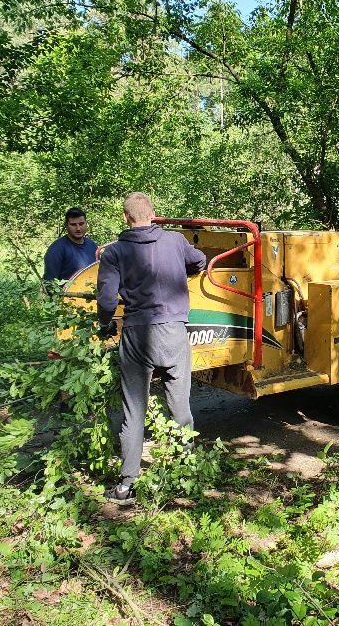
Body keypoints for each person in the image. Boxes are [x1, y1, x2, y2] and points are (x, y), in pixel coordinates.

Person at [96, 192, 207, 504]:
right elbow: (200, 261)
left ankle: (126, 485)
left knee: (134, 410)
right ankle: (187, 473)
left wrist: (105, 324)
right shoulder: (174, 241)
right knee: (180, 405)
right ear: (153, 214)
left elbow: (106, 301)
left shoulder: (115, 252)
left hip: (137, 335)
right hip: (174, 333)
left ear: (125, 218)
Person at [43, 208, 98, 284]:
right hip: (68, 295)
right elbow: (50, 283)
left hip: (93, 294)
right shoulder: (56, 250)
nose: (78, 228)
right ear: (66, 226)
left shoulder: (92, 245)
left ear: (86, 224)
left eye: (81, 224)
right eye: (73, 225)